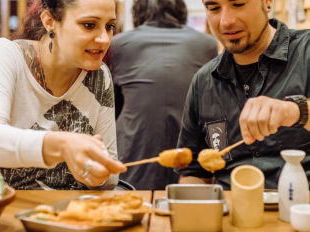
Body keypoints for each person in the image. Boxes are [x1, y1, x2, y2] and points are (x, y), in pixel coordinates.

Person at [177, 0, 310, 190]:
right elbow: (194, 174)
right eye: (214, 8)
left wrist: (295, 110)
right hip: (230, 215)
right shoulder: (203, 81)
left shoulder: (306, 51)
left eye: (238, 4)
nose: (225, 21)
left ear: (267, 2)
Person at [0, 0, 127, 190]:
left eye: (109, 27)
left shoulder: (99, 75)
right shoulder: (6, 56)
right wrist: (62, 145)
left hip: (67, 214)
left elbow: (109, 179)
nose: (104, 39)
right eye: (89, 25)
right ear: (49, 21)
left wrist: (96, 173)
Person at [110, 0, 218, 190]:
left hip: (134, 160)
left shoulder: (119, 44)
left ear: (137, 12)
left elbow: (113, 109)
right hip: (192, 162)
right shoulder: (207, 44)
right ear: (181, 10)